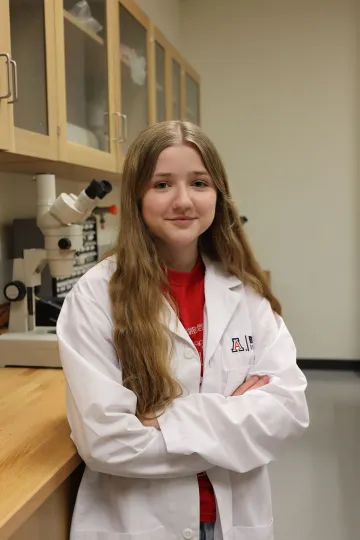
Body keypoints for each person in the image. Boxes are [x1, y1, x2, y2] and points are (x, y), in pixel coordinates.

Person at [57, 120, 309, 540]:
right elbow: (106, 442)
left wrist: (161, 421)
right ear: (137, 195)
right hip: (139, 523)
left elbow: (287, 414)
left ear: (218, 195)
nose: (183, 200)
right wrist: (232, 429)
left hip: (233, 520)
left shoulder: (244, 292)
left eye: (199, 183)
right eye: (161, 184)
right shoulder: (97, 295)